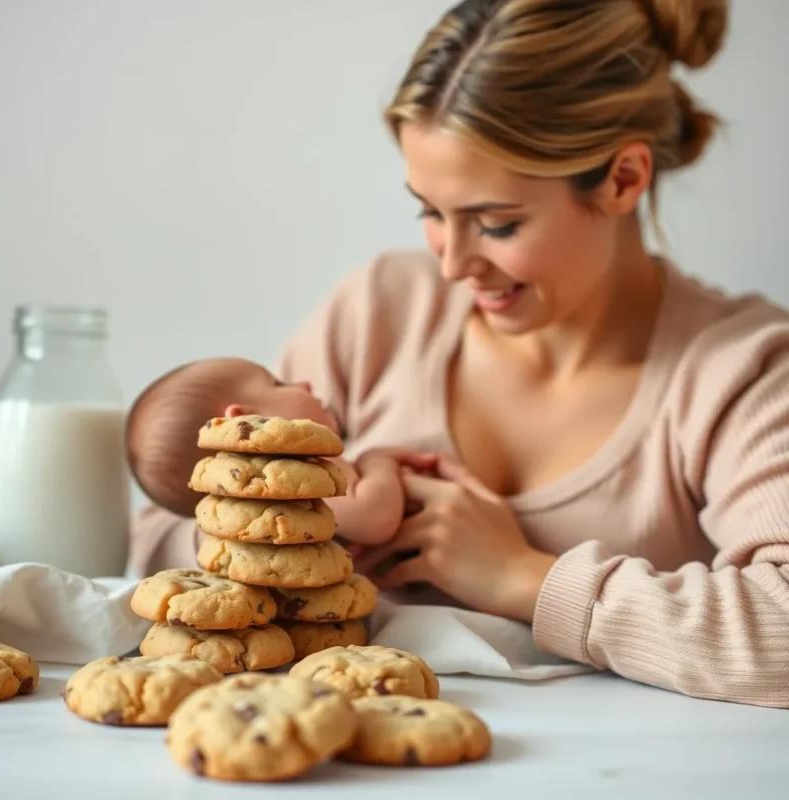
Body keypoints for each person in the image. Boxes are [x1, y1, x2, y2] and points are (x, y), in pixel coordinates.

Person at [132, 0, 789, 709]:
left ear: (623, 179)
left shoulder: (743, 373)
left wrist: (525, 577)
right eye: (429, 211)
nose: (451, 267)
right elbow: (163, 532)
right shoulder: (380, 313)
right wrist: (307, 544)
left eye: (497, 224)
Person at [126, 358, 431, 573]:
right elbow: (375, 518)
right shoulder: (293, 481)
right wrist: (378, 462)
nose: (305, 384)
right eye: (278, 383)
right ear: (244, 424)